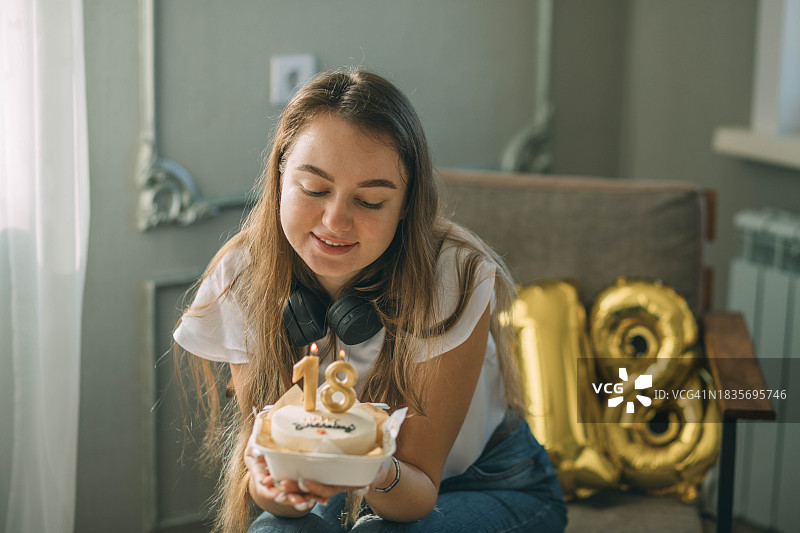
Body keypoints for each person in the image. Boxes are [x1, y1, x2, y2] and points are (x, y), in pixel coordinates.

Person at [173, 67, 567, 533]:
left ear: (406, 206)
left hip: (490, 483)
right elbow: (274, 498)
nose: (336, 221)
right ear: (280, 176)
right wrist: (272, 482)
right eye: (315, 189)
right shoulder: (242, 276)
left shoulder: (454, 276)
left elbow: (415, 494)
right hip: (344, 496)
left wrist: (373, 467)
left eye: (371, 202)